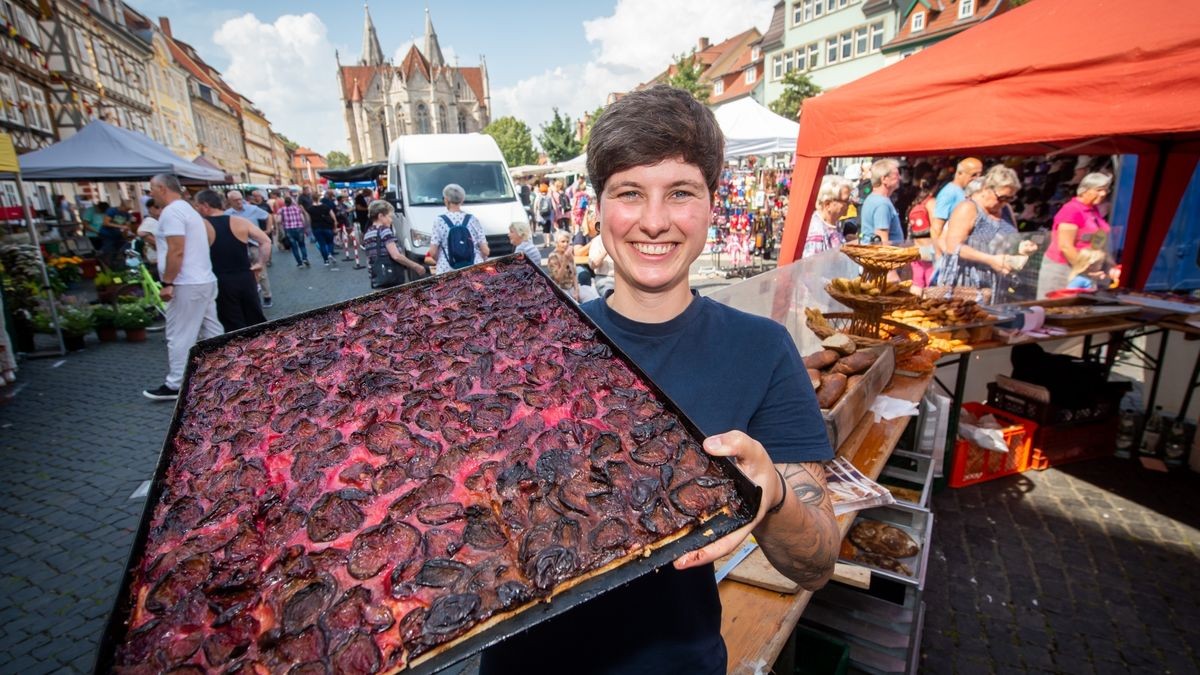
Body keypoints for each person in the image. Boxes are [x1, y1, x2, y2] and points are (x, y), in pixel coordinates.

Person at [480, 84, 837, 675]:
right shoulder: (528, 346)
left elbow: (817, 562)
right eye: (629, 193)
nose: (653, 221)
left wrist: (771, 491)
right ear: (596, 206)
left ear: (712, 203)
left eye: (679, 193)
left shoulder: (761, 349)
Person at [143, 174, 222, 401]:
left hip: (186, 282)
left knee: (180, 334)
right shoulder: (189, 210)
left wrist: (168, 282)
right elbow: (207, 237)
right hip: (203, 278)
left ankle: (176, 383)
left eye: (152, 189)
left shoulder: (171, 212)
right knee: (211, 329)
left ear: (161, 187)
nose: (151, 194)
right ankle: (221, 369)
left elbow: (176, 249)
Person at [938, 165, 1038, 302]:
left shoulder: (1006, 210)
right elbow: (953, 247)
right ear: (986, 189)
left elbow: (1011, 237)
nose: (1004, 203)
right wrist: (990, 260)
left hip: (1000, 285)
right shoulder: (968, 208)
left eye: (1010, 198)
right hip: (970, 285)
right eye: (1001, 197)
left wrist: (1022, 246)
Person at [195, 190, 271, 331]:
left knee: (233, 325)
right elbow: (266, 241)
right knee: (256, 320)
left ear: (205, 205)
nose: (197, 209)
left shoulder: (201, 225)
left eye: (197, 206)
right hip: (246, 276)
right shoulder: (240, 222)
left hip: (221, 280)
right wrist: (260, 264)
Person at [1037, 172, 1114, 298]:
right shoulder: (1071, 210)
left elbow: (1099, 240)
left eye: (1106, 190)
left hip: (1085, 268)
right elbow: (1066, 246)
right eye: (1099, 190)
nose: (1103, 194)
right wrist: (1085, 271)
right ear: (1084, 190)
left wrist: (1110, 264)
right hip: (1064, 270)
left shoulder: (1093, 210)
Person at [225, 190, 274, 309]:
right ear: (229, 201)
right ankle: (250, 295)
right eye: (236, 200)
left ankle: (267, 296)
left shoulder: (252, 209)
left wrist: (268, 230)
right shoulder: (227, 214)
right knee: (243, 273)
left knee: (261, 271)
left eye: (240, 199)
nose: (239, 202)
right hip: (239, 247)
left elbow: (268, 216)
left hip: (254, 245)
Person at [361, 199, 428, 286]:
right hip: (391, 277)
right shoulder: (384, 230)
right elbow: (396, 256)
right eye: (389, 217)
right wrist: (416, 266)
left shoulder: (368, 233)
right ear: (381, 216)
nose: (391, 220)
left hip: (377, 277)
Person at [424, 183, 488, 274]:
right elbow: (485, 250)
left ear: (446, 200)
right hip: (473, 269)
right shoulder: (473, 219)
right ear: (462, 200)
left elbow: (433, 252)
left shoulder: (439, 221)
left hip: (447, 269)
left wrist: (441, 260)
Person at [931, 157, 983, 257]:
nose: (977, 178)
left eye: (980, 174)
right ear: (959, 173)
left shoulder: (966, 191)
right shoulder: (949, 193)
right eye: (973, 175)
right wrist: (939, 255)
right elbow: (936, 227)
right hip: (948, 252)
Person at [802, 175, 850, 257]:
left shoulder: (833, 223)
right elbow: (812, 267)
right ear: (827, 204)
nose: (849, 204)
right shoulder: (817, 234)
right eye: (845, 201)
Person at [859, 159, 903, 245]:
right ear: (884, 179)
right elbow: (882, 242)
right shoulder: (882, 204)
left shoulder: (873, 198)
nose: (900, 178)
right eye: (896, 175)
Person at [907, 177, 939, 289]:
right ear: (935, 187)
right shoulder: (931, 202)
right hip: (929, 250)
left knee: (917, 282)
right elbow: (936, 227)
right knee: (930, 284)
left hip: (917, 248)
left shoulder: (918, 202)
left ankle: (913, 306)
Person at [546, 229, 583, 301]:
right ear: (557, 243)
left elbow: (574, 274)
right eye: (563, 242)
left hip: (571, 287)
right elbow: (557, 279)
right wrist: (565, 261)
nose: (565, 244)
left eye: (567, 241)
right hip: (559, 289)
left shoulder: (569, 254)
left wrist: (576, 291)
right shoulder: (553, 257)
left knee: (591, 297)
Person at [306, 190, 340, 267]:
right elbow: (332, 216)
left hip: (316, 228)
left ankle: (326, 260)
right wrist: (335, 224)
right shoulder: (325, 206)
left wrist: (309, 228)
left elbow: (309, 220)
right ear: (319, 198)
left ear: (312, 199)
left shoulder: (310, 209)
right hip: (327, 226)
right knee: (330, 242)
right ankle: (330, 253)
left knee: (322, 244)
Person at [277, 196, 311, 267]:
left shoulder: (281, 210)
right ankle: (305, 258)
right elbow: (302, 219)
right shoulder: (297, 209)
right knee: (302, 244)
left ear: (285, 203)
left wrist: (281, 224)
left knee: (294, 247)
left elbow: (279, 220)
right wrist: (304, 227)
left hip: (289, 230)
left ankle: (299, 263)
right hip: (299, 228)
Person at [135, 198, 162, 277]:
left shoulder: (159, 220)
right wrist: (158, 244)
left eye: (162, 207)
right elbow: (141, 232)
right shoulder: (150, 220)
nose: (160, 209)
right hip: (155, 259)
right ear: (150, 209)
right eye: (157, 207)